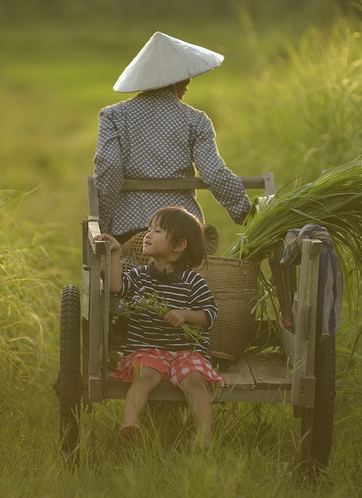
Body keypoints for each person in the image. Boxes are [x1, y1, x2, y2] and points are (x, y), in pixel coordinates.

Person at [95, 31, 252, 245]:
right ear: (175, 82)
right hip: (182, 229)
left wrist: (104, 220)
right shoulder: (195, 120)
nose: (187, 83)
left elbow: (110, 166)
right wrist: (245, 214)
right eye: (183, 81)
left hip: (127, 228)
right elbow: (214, 173)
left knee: (129, 276)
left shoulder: (114, 116)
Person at [94, 206, 224, 447]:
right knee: (145, 376)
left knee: (195, 381)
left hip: (187, 352)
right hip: (148, 349)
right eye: (149, 228)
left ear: (179, 245)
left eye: (157, 230)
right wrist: (114, 254)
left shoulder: (193, 281)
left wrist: (186, 315)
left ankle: (204, 435)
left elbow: (209, 316)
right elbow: (116, 288)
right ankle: (130, 422)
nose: (147, 234)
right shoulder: (140, 275)